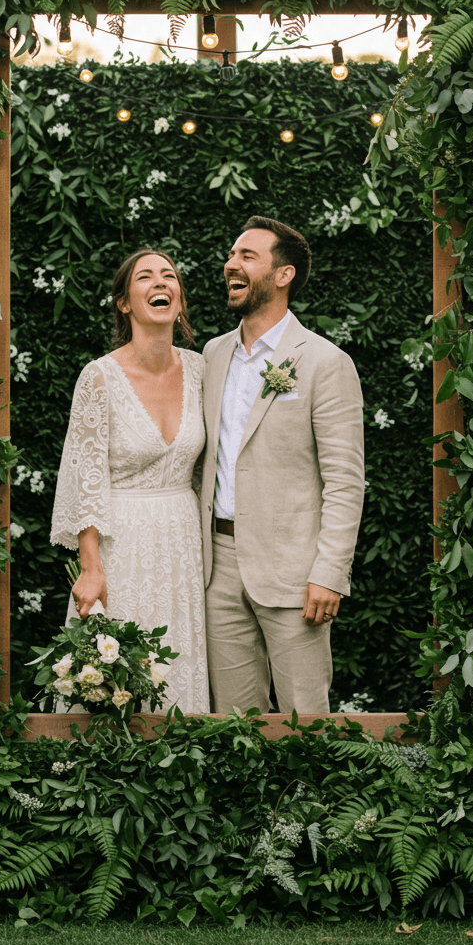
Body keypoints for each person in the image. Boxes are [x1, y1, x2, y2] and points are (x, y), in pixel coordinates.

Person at [198, 216, 365, 716]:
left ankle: (310, 797)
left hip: (296, 574)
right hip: (218, 567)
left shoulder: (324, 362)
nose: (231, 264)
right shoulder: (211, 355)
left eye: (247, 256)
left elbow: (344, 480)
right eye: (231, 255)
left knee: (305, 719)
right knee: (233, 720)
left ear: (283, 274)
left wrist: (329, 572)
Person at [50, 249, 209, 713]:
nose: (161, 283)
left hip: (183, 544)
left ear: (179, 298)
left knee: (177, 671)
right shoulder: (99, 377)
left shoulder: (202, 370)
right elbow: (85, 479)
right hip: (120, 550)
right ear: (124, 302)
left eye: (169, 276)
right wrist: (91, 567)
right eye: (145, 277)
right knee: (114, 680)